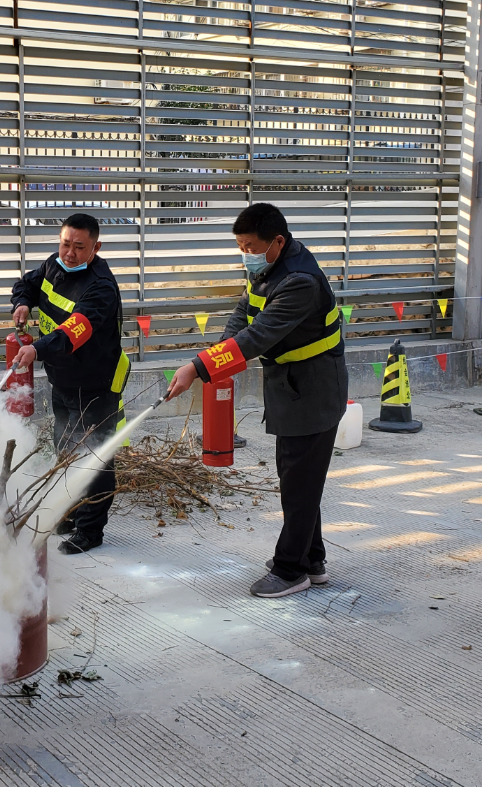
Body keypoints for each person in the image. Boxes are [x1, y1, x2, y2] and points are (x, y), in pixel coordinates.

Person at [166, 203, 348, 597]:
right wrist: (218, 351)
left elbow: (258, 335)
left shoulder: (299, 281)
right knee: (298, 478)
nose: (245, 254)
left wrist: (198, 367)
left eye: (249, 247)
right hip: (290, 384)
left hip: (314, 390)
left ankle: (290, 570)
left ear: (277, 241)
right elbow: (244, 312)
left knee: (299, 482)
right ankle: (312, 560)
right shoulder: (269, 267)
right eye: (241, 247)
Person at [10, 213, 131, 555]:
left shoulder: (100, 288)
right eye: (65, 244)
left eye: (79, 247)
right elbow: (27, 284)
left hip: (95, 384)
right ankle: (74, 511)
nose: (70, 253)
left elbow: (73, 332)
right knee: (66, 447)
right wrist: (22, 302)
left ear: (96, 247)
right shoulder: (54, 265)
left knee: (94, 455)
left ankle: (90, 531)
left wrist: (37, 349)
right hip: (62, 378)